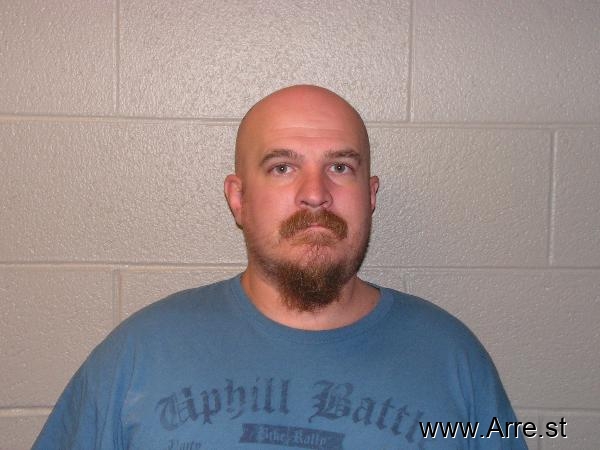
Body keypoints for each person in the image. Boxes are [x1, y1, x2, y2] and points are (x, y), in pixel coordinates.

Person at [33, 85, 527, 449]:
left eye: (340, 167)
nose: (315, 194)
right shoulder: (138, 355)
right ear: (238, 198)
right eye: (282, 168)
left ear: (370, 195)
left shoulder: (453, 359)